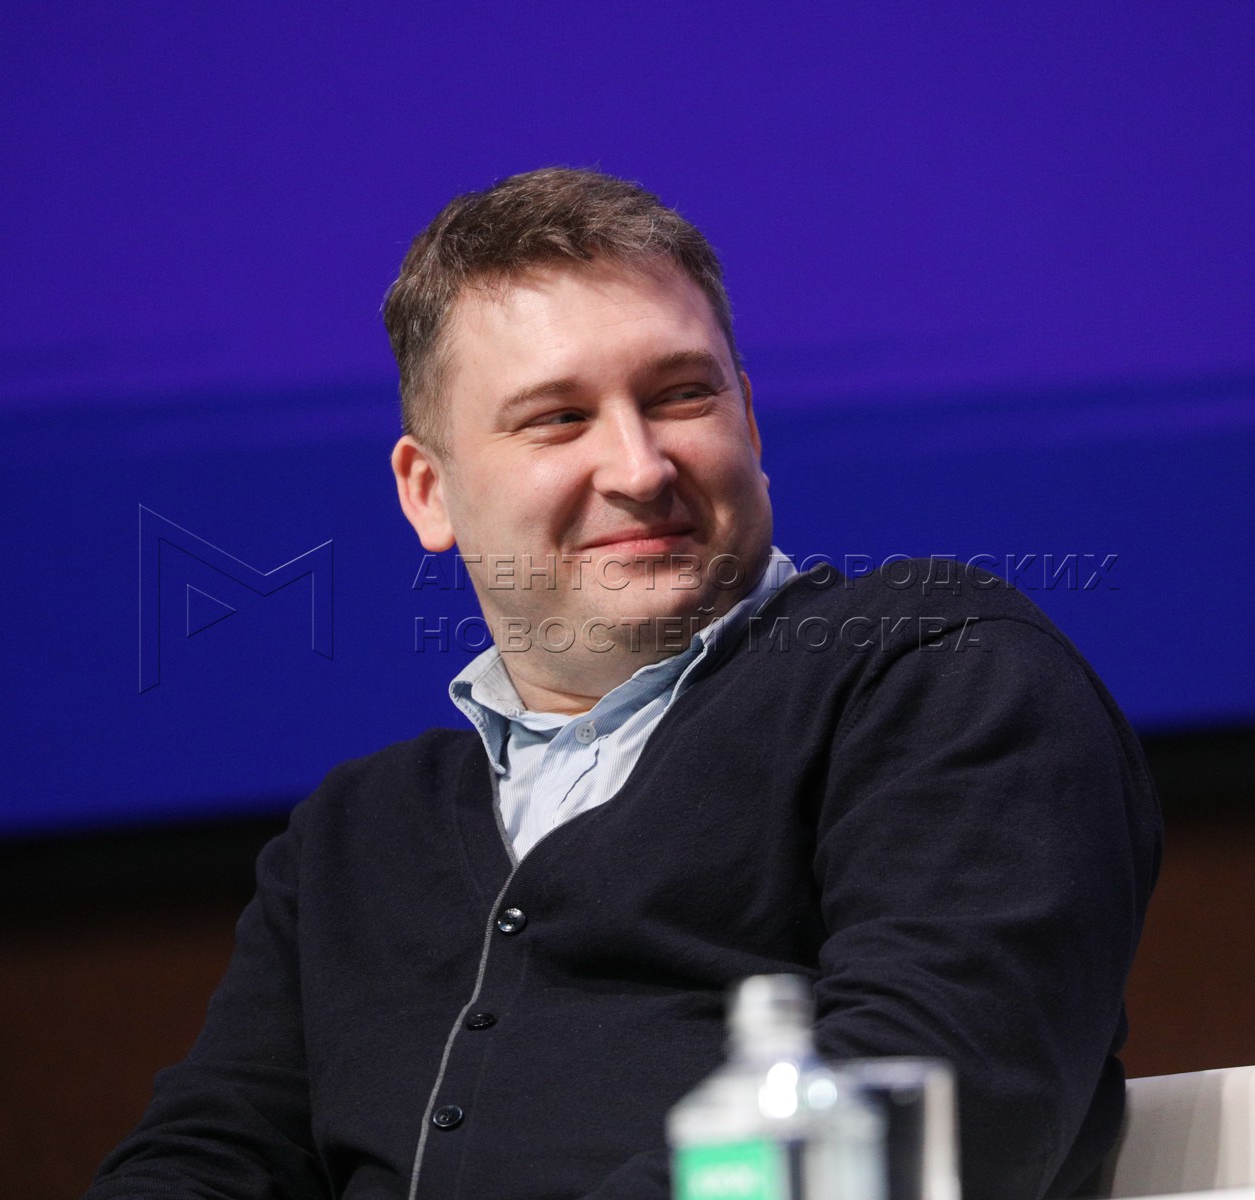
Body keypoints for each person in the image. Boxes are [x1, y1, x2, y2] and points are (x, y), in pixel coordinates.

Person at [86, 168, 1161, 1200]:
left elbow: (920, 1103)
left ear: (750, 421)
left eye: (682, 396)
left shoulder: (934, 672)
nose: (641, 468)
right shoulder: (351, 838)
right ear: (429, 492)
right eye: (558, 418)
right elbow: (208, 1156)